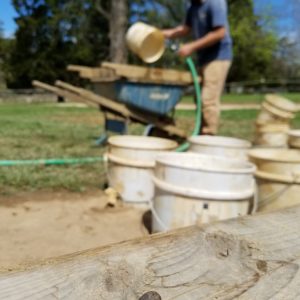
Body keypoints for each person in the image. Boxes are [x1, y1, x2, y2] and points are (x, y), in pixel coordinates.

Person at [162, 0, 233, 135]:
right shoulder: (193, 7)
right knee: (199, 99)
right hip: (204, 58)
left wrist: (191, 46)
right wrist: (160, 33)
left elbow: (220, 33)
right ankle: (201, 135)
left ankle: (208, 139)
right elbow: (185, 29)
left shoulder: (215, 3)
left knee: (208, 99)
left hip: (218, 56)